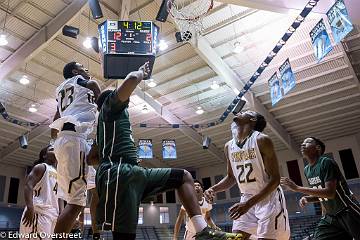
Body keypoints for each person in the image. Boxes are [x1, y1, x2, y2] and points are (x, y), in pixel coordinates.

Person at [89, 62, 243, 240]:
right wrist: (140, 73)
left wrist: (106, 159)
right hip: (121, 174)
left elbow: (90, 158)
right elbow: (131, 79)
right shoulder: (110, 107)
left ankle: (202, 231)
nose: (127, 99)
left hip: (134, 173)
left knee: (183, 177)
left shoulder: (106, 126)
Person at [204, 110, 290, 240]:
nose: (241, 111)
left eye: (246, 111)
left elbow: (275, 179)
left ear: (253, 119)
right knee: (237, 237)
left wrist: (248, 204)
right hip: (246, 198)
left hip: (268, 197)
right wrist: (212, 189)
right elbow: (231, 178)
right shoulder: (229, 146)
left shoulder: (262, 140)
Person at [50, 62, 101, 235]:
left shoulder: (60, 90)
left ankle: (95, 232)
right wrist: (104, 109)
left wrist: (56, 144)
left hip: (70, 140)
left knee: (96, 188)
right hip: (74, 139)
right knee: (76, 203)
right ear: (74, 71)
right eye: (82, 68)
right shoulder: (78, 80)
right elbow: (94, 85)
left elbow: (55, 120)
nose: (86, 70)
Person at [281, 137, 360, 240]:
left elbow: (330, 193)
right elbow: (322, 194)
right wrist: (308, 198)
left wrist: (297, 188)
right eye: (303, 143)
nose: (303, 145)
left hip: (347, 210)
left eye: (308, 142)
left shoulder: (326, 162)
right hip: (331, 216)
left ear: (317, 148)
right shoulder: (307, 170)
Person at [20, 145, 60, 240]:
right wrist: (30, 208)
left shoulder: (59, 174)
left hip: (52, 215)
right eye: (51, 149)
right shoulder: (42, 167)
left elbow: (59, 197)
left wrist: (60, 215)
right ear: (44, 156)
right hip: (38, 212)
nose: (55, 150)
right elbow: (28, 186)